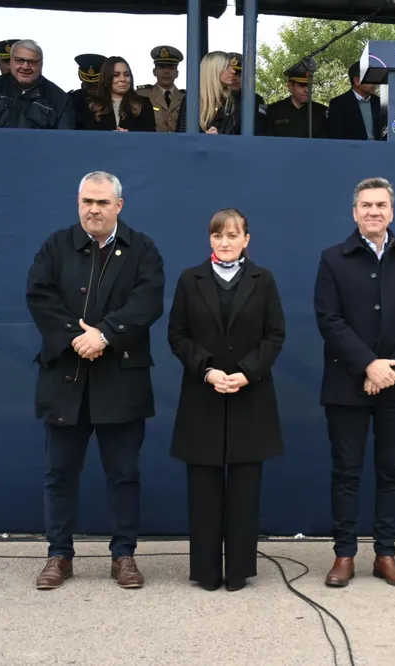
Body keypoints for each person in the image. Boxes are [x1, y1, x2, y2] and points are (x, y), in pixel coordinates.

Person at [25, 171, 165, 590]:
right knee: (59, 472)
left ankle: (124, 555)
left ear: (118, 206)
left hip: (121, 380)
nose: (93, 210)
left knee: (124, 473)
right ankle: (59, 555)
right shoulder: (56, 245)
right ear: (78, 203)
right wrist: (77, 337)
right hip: (65, 379)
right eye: (87, 201)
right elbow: (40, 296)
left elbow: (148, 301)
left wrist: (104, 335)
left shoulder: (142, 249)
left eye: (102, 202)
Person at [314, 177, 395, 587]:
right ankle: (344, 554)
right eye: (366, 205)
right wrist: (368, 365)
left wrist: (389, 371)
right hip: (345, 384)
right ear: (354, 212)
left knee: (392, 471)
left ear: (391, 212)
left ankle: (386, 553)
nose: (373, 211)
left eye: (381, 205)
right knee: (346, 472)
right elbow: (329, 320)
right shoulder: (333, 259)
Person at [167, 208, 286, 592]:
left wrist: (248, 372)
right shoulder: (191, 279)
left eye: (232, 235)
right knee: (203, 490)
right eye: (218, 235)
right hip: (203, 395)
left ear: (246, 239)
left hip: (250, 396)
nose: (224, 242)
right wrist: (206, 370)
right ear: (210, 239)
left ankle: (238, 571)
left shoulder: (263, 280)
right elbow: (178, 335)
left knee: (245, 491)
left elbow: (274, 335)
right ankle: (206, 571)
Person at [0, 39, 74, 129]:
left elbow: (63, 140)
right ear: (11, 62)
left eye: (32, 62)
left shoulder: (61, 100)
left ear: (41, 65)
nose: (25, 67)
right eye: (19, 60)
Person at [77, 56, 155, 132]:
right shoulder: (91, 105)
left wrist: (130, 135)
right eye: (116, 75)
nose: (123, 79)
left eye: (126, 75)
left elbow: (150, 135)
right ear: (106, 77)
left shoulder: (143, 103)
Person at [176, 51, 237, 134]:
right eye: (226, 67)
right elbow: (182, 135)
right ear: (213, 70)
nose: (233, 71)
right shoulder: (192, 100)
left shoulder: (233, 100)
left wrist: (220, 136)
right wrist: (204, 137)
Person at [265, 62, 327, 138]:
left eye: (309, 85)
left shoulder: (320, 111)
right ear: (290, 86)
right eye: (302, 85)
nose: (307, 90)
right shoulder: (274, 110)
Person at [325, 61, 384, 140]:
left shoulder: (381, 102)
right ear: (357, 81)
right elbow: (336, 136)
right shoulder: (338, 104)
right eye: (371, 78)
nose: (375, 82)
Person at [135, 45, 185, 132]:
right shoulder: (142, 95)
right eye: (162, 67)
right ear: (154, 71)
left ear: (177, 73)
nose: (166, 71)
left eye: (171, 67)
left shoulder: (186, 98)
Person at [68, 53, 105, 123]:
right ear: (80, 78)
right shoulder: (71, 100)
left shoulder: (113, 99)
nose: (92, 86)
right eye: (88, 83)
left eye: (96, 83)